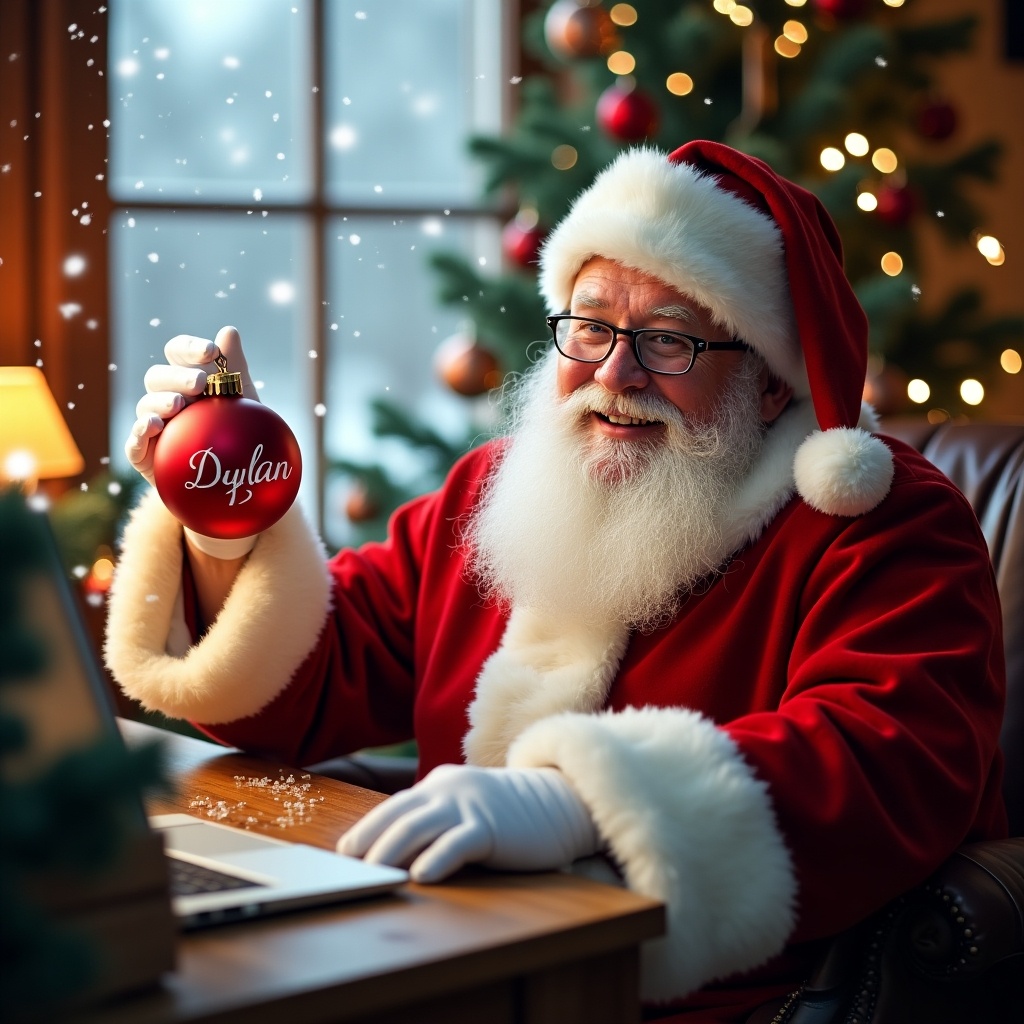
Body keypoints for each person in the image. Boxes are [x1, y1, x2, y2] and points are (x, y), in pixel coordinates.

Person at [104, 140, 1007, 1022]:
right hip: (453, 953)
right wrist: (229, 512)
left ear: (772, 382)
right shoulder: (496, 491)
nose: (615, 374)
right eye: (590, 326)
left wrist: (583, 801)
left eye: (668, 340)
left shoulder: (879, 521)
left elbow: (887, 758)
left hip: (706, 1000)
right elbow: (307, 679)